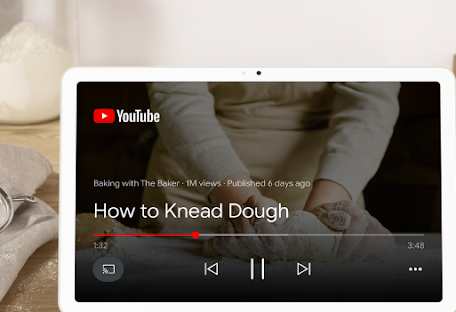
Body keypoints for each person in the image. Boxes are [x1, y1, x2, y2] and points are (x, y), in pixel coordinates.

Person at [142, 81, 400, 262]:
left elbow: (370, 99)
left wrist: (326, 212)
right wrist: (242, 204)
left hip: (326, 180)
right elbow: (178, 95)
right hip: (198, 180)